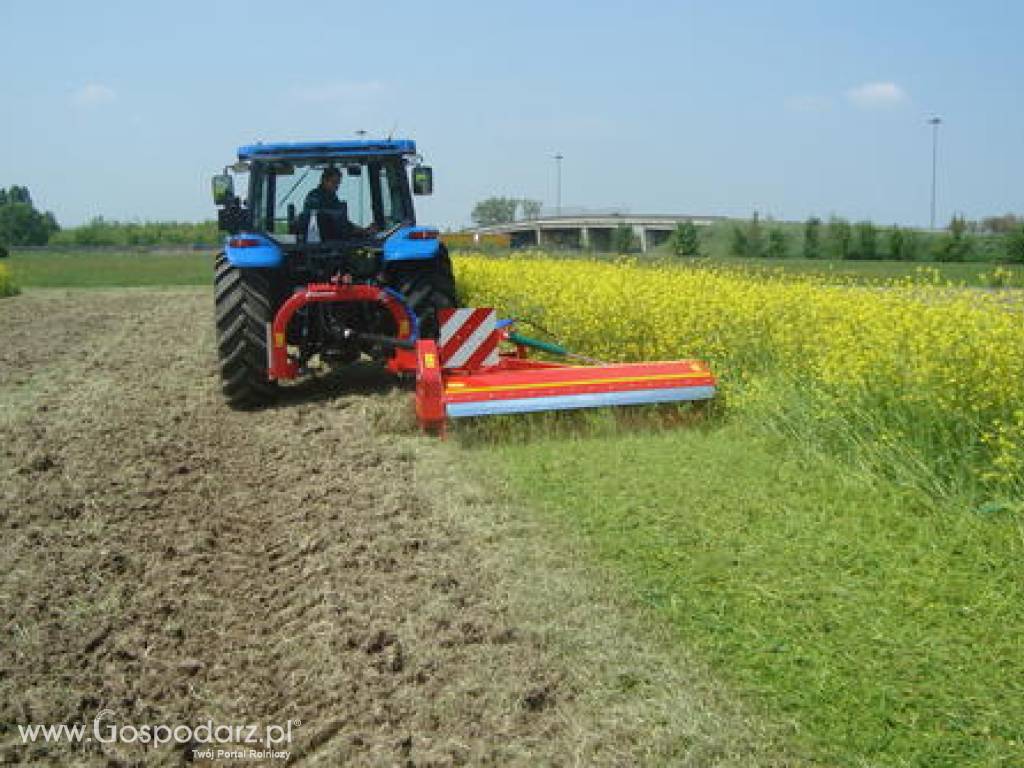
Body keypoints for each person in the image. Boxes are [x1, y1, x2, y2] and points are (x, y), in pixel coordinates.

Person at [302, 167, 375, 239]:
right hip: (320, 243)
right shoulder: (314, 198)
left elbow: (342, 222)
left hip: (336, 242)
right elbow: (330, 220)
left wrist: (363, 231)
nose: (336, 186)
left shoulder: (332, 197)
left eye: (338, 183)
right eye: (334, 182)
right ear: (324, 180)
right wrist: (359, 231)